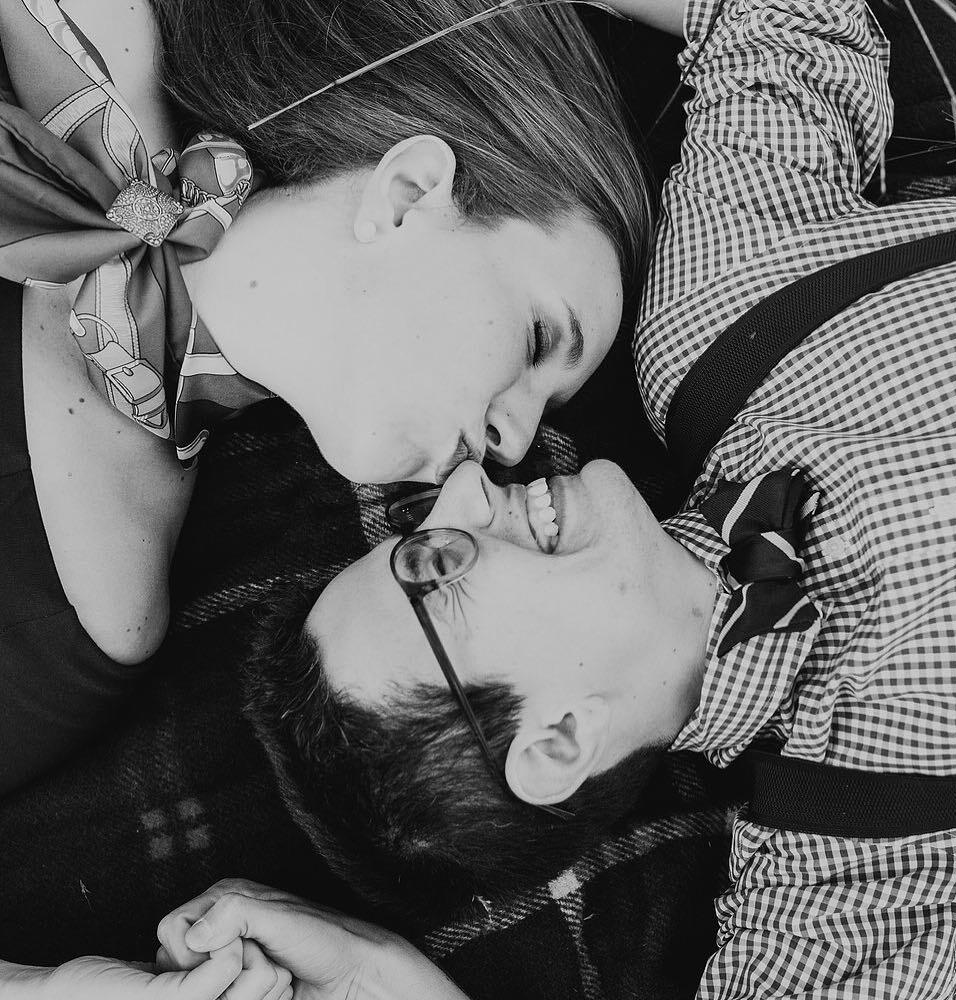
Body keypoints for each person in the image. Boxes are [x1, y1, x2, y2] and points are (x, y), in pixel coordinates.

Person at [144, 0, 956, 997]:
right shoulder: (862, 849)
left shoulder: (712, 327)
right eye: (437, 565)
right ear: (557, 742)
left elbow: (772, 14)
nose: (466, 485)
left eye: (422, 524)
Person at [0, 0, 650, 798]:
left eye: (545, 412)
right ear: (410, 192)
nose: (512, 446)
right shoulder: (77, 26)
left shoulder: (98, 609)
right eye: (539, 340)